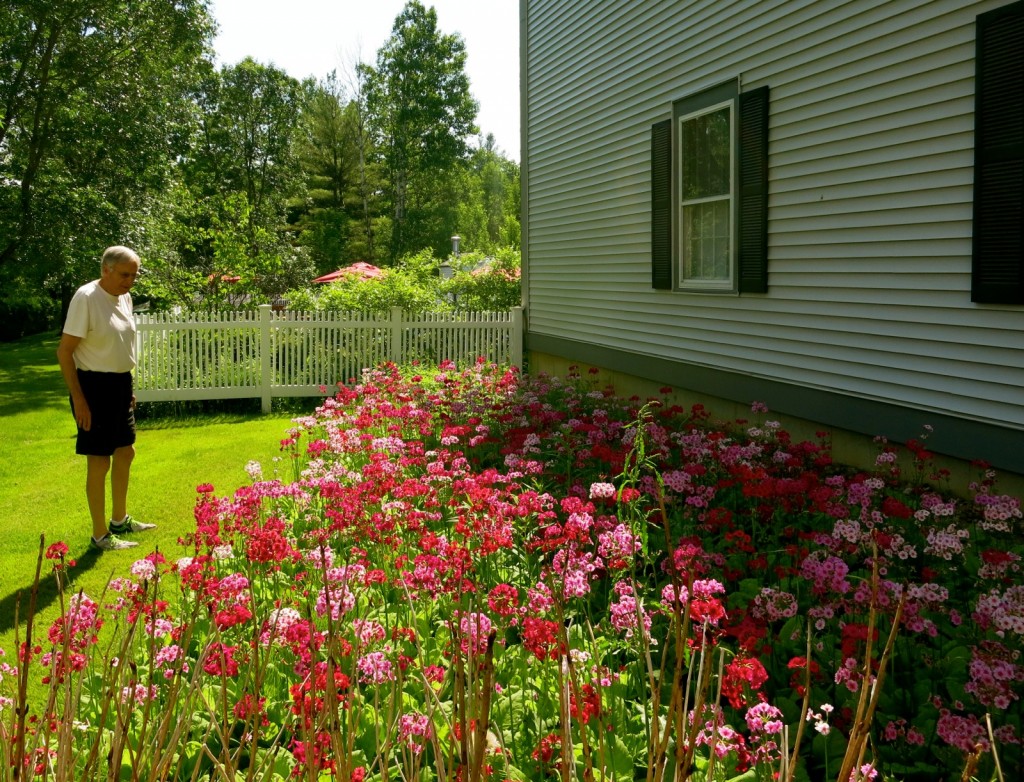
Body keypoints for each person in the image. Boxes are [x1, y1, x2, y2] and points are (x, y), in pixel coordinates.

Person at [56, 246, 156, 551]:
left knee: (125, 453)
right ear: (106, 270)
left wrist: (128, 387)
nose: (130, 281)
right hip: (93, 387)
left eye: (134, 275)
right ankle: (100, 536)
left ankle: (119, 519)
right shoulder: (86, 297)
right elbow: (64, 352)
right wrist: (80, 400)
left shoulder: (124, 297)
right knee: (99, 461)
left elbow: (119, 343)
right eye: (125, 274)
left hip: (119, 385)